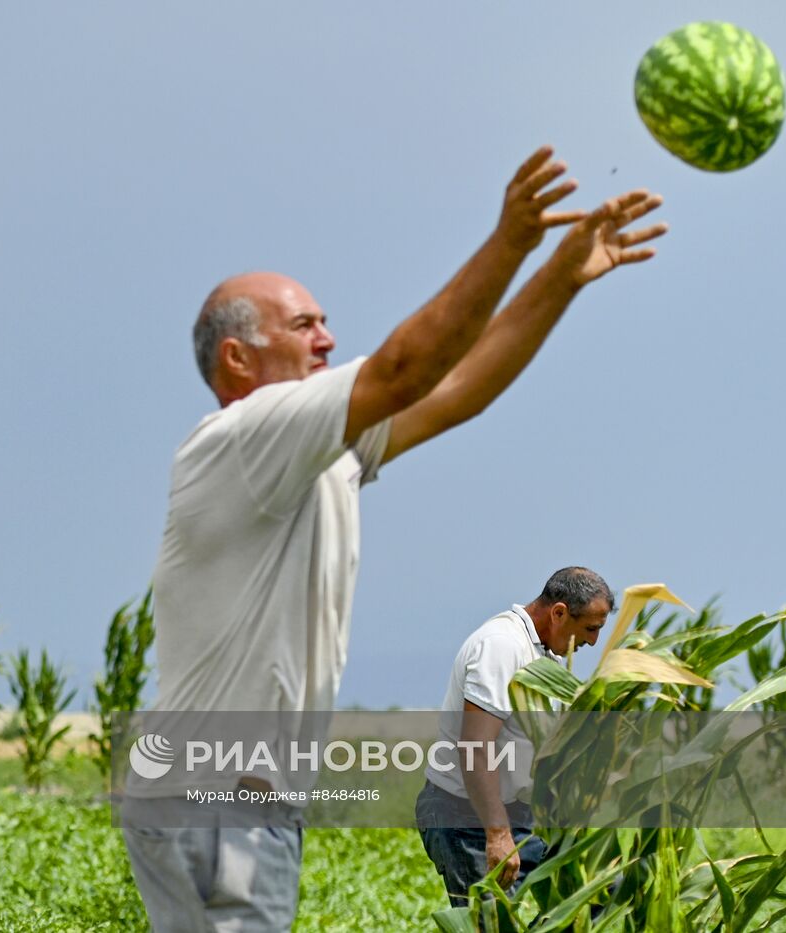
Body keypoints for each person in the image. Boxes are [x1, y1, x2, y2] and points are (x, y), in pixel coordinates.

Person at [121, 148, 665, 932]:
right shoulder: (245, 434)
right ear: (238, 358)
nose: (328, 340)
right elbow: (411, 365)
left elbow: (456, 390)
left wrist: (561, 277)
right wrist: (510, 242)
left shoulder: (315, 455)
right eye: (305, 324)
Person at [416, 567, 614, 907]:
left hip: (520, 817)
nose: (593, 641)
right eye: (590, 629)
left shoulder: (544, 653)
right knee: (487, 923)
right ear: (559, 613)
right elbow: (476, 748)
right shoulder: (502, 647)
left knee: (591, 899)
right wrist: (497, 833)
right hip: (467, 818)